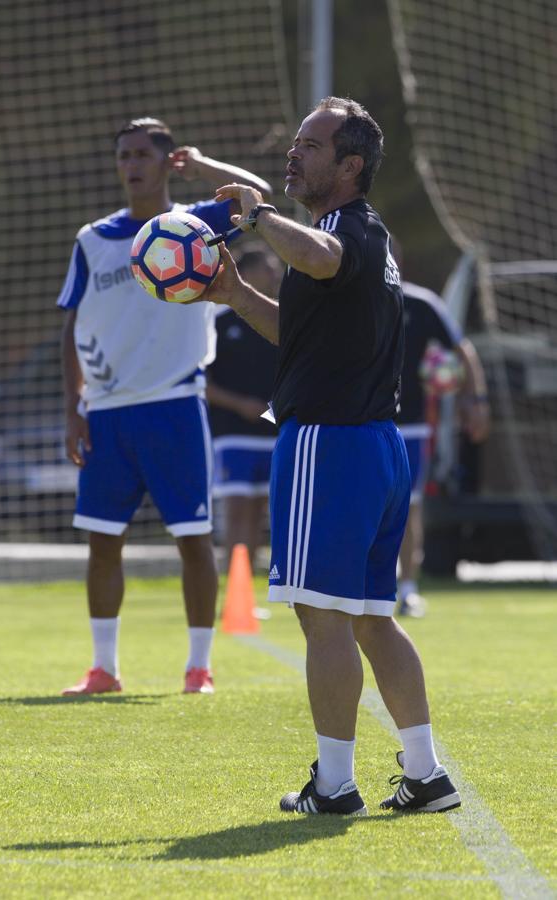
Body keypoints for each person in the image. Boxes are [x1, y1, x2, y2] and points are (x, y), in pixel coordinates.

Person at [200, 96, 461, 814]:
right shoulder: (355, 236)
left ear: (349, 166)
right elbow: (302, 335)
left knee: (322, 615)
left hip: (331, 445)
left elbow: (319, 256)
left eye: (310, 147)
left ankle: (337, 786)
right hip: (372, 445)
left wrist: (254, 216)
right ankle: (426, 773)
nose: (293, 154)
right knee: (373, 617)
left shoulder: (343, 231)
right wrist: (235, 291)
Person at [57, 117, 271, 696]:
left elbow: (259, 196)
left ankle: (198, 668)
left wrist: (202, 167)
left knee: (193, 539)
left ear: (164, 160)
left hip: (174, 405)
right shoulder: (92, 239)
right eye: (122, 154)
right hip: (104, 411)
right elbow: (71, 324)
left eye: (142, 154)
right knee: (103, 540)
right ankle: (104, 668)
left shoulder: (194, 223)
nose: (131, 164)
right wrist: (74, 407)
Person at [396, 273, 490, 616]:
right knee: (364, 507)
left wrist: (476, 400)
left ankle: (407, 588)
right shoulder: (347, 297)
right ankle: (360, 586)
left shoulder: (421, 303)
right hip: (358, 422)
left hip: (411, 426)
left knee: (409, 508)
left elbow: (461, 351)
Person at [206, 247, 282, 571]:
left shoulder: (283, 322)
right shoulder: (218, 323)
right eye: (269, 269)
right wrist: (240, 405)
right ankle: (234, 590)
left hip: (275, 433)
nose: (276, 276)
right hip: (232, 435)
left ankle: (248, 593)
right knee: (238, 512)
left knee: (262, 516)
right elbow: (201, 382)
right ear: (246, 275)